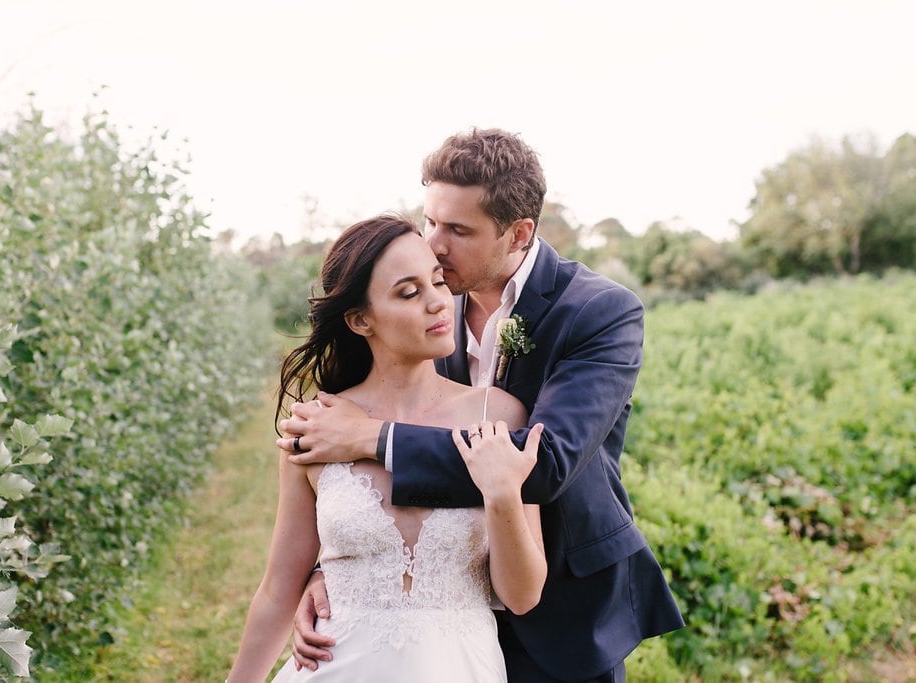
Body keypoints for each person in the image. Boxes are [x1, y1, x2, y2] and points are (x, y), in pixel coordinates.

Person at [279, 128, 685, 682]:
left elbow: (542, 464)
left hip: (562, 605)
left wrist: (374, 437)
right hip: (447, 603)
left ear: (518, 233)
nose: (435, 244)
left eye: (458, 230)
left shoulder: (600, 313)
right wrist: (342, 572)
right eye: (431, 221)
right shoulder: (431, 303)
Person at [227, 214, 548, 683]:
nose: (438, 302)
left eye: (437, 282)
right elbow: (278, 590)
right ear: (360, 320)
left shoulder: (498, 416)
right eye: (409, 292)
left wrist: (502, 496)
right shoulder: (316, 427)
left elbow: (522, 596)